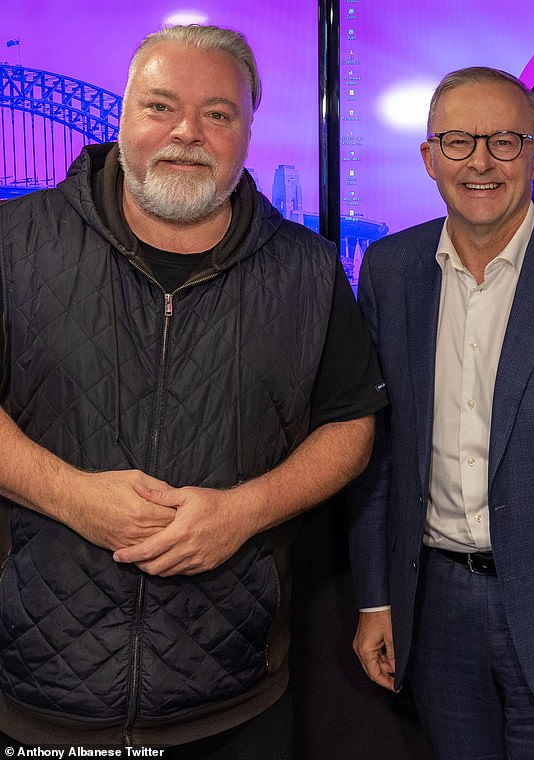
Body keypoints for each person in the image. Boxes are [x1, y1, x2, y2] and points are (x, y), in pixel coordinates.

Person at [0, 24, 386, 755]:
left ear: (247, 131)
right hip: (41, 688)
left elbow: (349, 428)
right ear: (120, 117)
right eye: (160, 107)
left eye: (218, 113)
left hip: (236, 694)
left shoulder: (307, 269)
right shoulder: (14, 241)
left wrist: (243, 512)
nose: (187, 132)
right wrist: (73, 498)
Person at [347, 66, 534, 760]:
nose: (480, 161)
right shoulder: (388, 269)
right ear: (429, 158)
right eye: (458, 141)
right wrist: (375, 599)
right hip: (432, 609)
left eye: (505, 142)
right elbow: (376, 453)